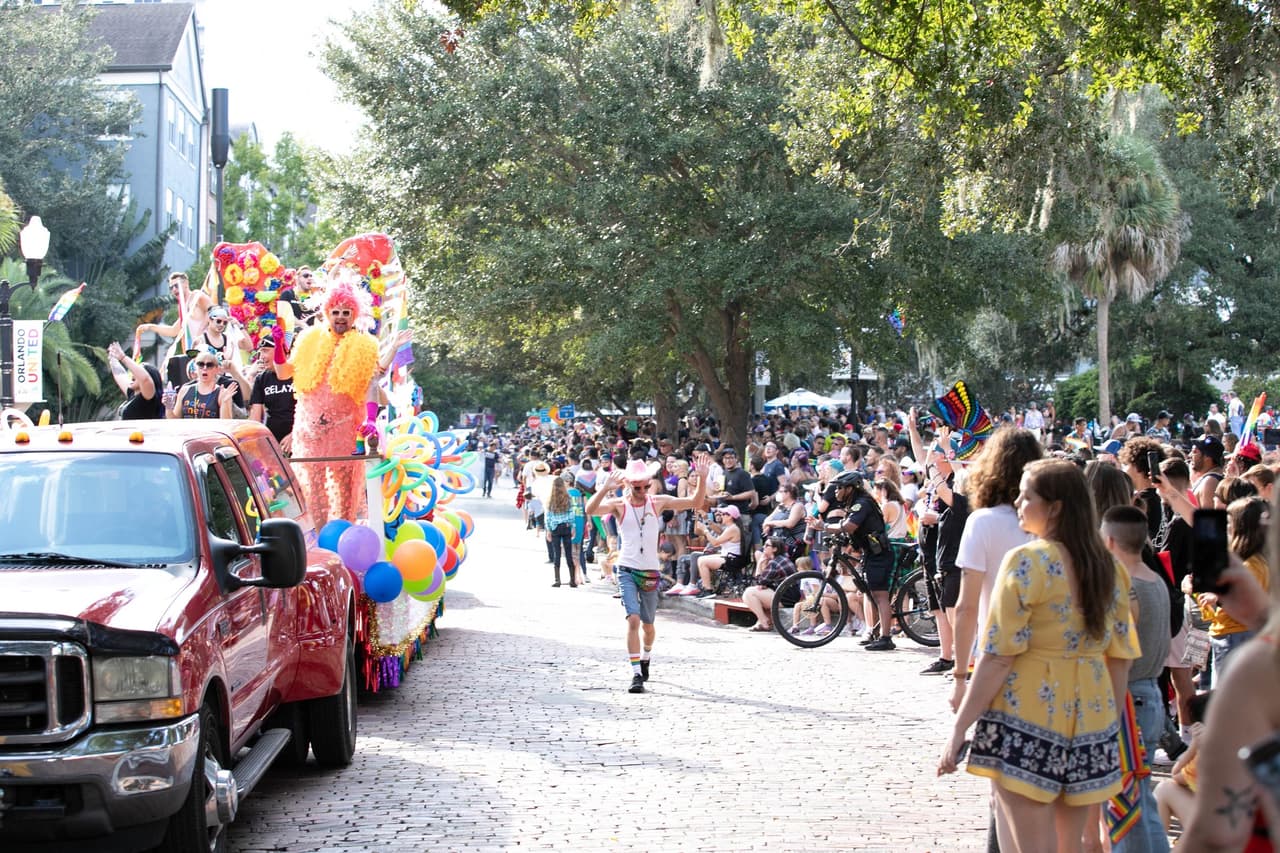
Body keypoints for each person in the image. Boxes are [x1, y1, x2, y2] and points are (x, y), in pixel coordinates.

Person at [938, 459, 1141, 852]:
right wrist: (1105, 727)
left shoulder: (1028, 562)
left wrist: (960, 726)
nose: (1016, 502)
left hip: (1027, 716)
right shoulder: (1110, 569)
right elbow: (1121, 659)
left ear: (1055, 506)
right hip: (1091, 721)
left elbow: (997, 656)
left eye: (1026, 495)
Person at [272, 281, 410, 528]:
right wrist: (279, 348)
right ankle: (321, 541)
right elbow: (283, 373)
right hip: (310, 431)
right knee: (314, 493)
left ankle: (343, 540)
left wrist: (369, 418)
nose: (340, 318)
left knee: (345, 492)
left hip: (345, 431)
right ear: (327, 313)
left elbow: (373, 379)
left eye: (346, 313)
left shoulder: (365, 345)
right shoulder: (308, 339)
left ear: (354, 315)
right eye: (335, 312)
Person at [584, 456, 707, 694]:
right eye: (636, 487)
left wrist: (701, 478)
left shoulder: (657, 502)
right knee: (633, 619)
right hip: (627, 568)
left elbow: (695, 501)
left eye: (645, 486)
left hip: (650, 571)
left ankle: (646, 656)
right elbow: (591, 509)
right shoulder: (619, 504)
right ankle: (636, 674)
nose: (642, 491)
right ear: (628, 485)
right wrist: (605, 489)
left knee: (648, 626)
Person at [1101, 505, 1172, 853]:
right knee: (1142, 802)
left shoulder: (1127, 585)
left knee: (1126, 803)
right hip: (1149, 694)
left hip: (1131, 699)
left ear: (1110, 541)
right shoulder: (1154, 578)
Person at [807, 469, 897, 650]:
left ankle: (886, 638)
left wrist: (823, 526)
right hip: (870, 553)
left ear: (850, 488)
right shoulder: (853, 504)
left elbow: (849, 526)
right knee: (870, 594)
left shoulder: (862, 503)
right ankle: (875, 631)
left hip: (879, 555)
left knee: (880, 595)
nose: (836, 492)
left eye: (839, 488)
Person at [247, 336, 295, 452]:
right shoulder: (261, 379)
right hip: (271, 441)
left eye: (265, 351)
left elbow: (309, 412)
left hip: (298, 439)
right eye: (260, 352)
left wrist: (295, 435)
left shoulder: (298, 374)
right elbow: (255, 418)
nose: (261, 356)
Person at [740, 536, 797, 631]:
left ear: (774, 549)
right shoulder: (781, 559)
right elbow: (765, 582)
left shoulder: (775, 563)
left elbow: (760, 583)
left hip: (785, 598)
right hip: (788, 595)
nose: (764, 547)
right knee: (757, 593)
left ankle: (764, 622)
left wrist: (759, 564)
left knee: (749, 593)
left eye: (767, 545)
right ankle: (760, 622)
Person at [690, 505, 746, 598]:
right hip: (728, 556)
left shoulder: (733, 528)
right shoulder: (731, 527)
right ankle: (706, 587)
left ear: (730, 516)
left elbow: (715, 543)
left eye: (723, 514)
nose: (721, 515)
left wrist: (705, 530)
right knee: (701, 559)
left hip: (732, 560)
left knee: (702, 561)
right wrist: (706, 521)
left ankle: (708, 590)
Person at [167, 350, 237, 419]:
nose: (205, 368)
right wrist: (168, 406)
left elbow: (226, 424)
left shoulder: (222, 393)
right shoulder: (184, 390)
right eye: (201, 364)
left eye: (210, 365)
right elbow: (174, 421)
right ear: (195, 368)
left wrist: (225, 402)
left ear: (217, 369)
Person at [106, 341, 164, 420]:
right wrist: (113, 358)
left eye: (136, 373)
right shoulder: (132, 394)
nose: (133, 375)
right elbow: (120, 374)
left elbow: (145, 379)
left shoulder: (148, 397)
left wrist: (123, 357)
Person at [544, 476, 578, 588]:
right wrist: (573, 526)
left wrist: (548, 529)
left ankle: (557, 579)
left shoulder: (550, 499)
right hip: (566, 526)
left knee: (556, 553)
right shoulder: (567, 498)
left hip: (555, 527)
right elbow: (571, 513)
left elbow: (548, 516)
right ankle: (572, 580)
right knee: (568, 553)